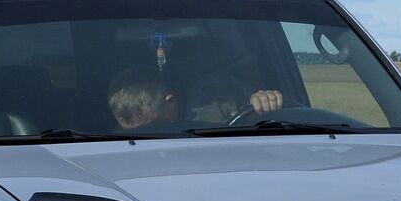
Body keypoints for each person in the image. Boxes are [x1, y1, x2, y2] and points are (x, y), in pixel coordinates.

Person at [108, 65, 283, 130]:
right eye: (136, 133)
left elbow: (270, 125)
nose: (145, 137)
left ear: (170, 101)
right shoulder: (112, 141)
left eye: (154, 127)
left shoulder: (223, 94)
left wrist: (265, 102)